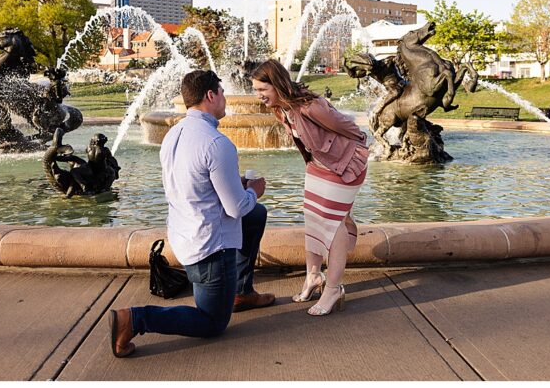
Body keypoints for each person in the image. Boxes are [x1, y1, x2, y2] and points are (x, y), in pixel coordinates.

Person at [110, 70, 273, 358]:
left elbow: (196, 183)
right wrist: (254, 190)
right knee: (212, 322)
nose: (225, 99)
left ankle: (241, 290)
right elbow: (236, 207)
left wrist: (240, 187)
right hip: (211, 249)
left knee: (256, 215)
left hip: (185, 234)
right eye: (222, 93)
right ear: (210, 95)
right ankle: (135, 319)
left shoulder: (174, 133)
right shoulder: (217, 143)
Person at [250, 59, 369, 316]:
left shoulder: (311, 107)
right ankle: (313, 277)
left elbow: (348, 127)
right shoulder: (282, 109)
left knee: (333, 222)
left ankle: (334, 288)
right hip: (318, 166)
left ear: (277, 84)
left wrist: (359, 147)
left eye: (262, 90)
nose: (259, 96)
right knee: (313, 219)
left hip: (345, 165)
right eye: (256, 90)